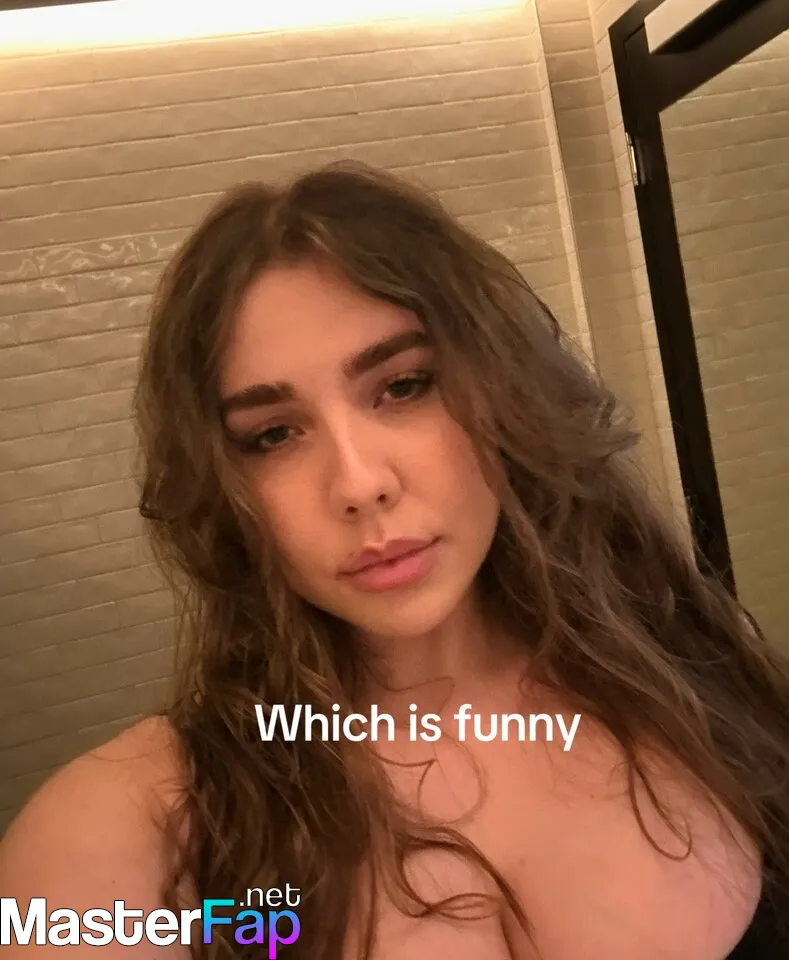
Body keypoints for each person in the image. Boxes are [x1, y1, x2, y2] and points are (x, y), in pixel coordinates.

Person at [1, 160, 788, 960]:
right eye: (272, 435)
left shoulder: (700, 691)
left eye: (403, 387)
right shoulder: (127, 838)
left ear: (506, 391)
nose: (358, 483)